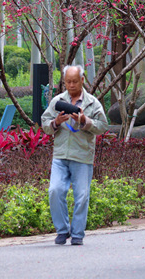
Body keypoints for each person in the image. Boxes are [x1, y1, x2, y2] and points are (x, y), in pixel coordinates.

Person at [41, 65, 108, 246]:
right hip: (60, 155)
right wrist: (56, 122)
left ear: (82, 80)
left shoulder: (92, 103)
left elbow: (103, 126)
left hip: (82, 155)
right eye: (68, 82)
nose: (71, 85)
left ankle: (77, 233)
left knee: (82, 196)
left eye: (75, 81)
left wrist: (85, 121)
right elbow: (45, 123)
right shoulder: (57, 101)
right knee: (55, 191)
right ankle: (62, 230)